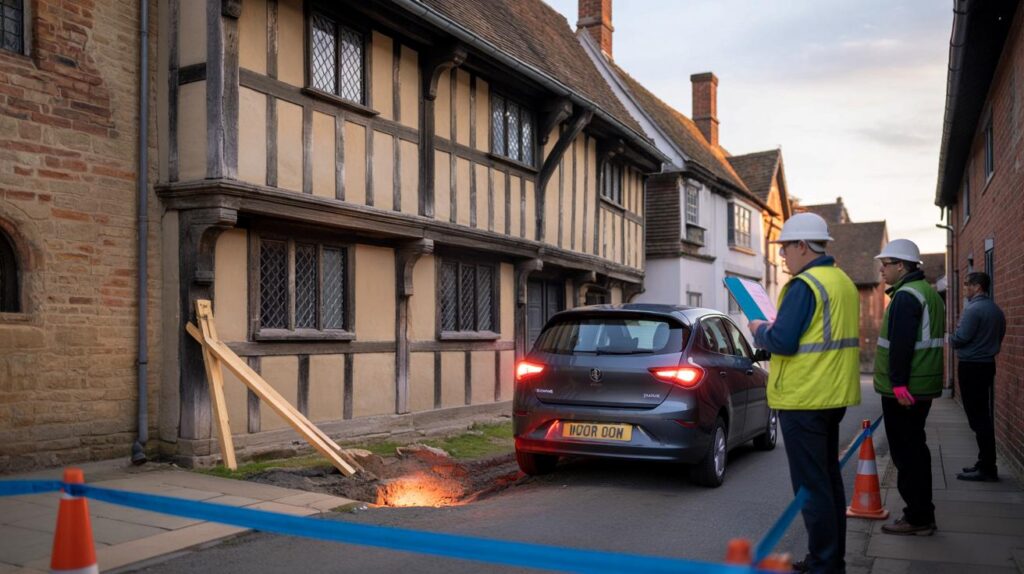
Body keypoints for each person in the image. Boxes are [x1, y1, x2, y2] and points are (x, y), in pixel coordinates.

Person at [748, 212, 861, 574]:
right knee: (828, 482)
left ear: (802, 246)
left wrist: (759, 329)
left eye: (785, 248)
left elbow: (783, 340)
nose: (782, 255)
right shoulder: (841, 281)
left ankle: (824, 565)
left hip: (804, 398)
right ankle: (828, 559)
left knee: (811, 488)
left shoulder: (803, 286)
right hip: (832, 395)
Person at [872, 239, 945, 536]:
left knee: (906, 455)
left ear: (901, 266)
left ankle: (917, 517)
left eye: (885, 264)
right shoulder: (928, 292)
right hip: (922, 385)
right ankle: (922, 513)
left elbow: (900, 345)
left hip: (905, 390)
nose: (881, 270)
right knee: (916, 449)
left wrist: (899, 384)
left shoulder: (905, 296)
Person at [951, 271, 1006, 482]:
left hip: (971, 367)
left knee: (978, 418)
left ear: (977, 287)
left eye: (967, 284)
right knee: (983, 415)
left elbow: (960, 338)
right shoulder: (995, 310)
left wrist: (953, 337)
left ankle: (987, 468)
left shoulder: (973, 310)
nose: (964, 288)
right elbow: (999, 336)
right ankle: (984, 463)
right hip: (987, 365)